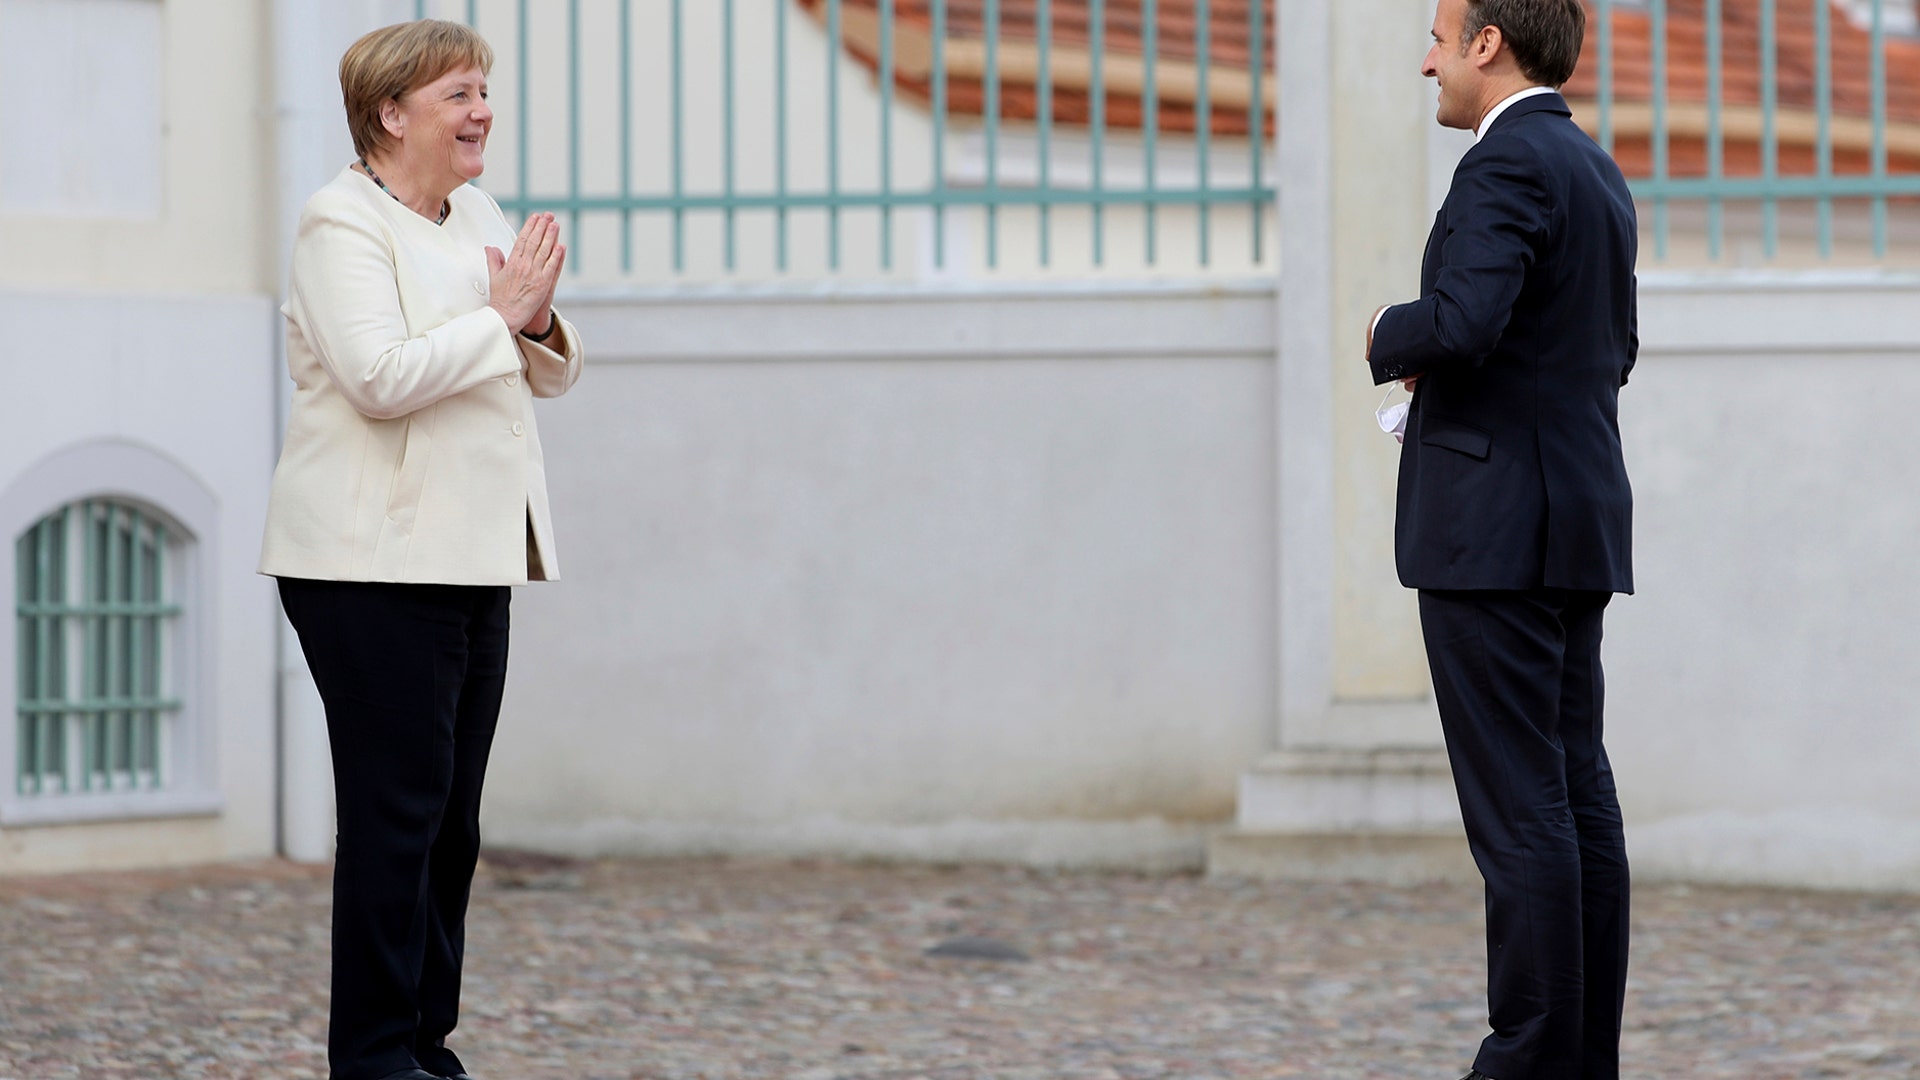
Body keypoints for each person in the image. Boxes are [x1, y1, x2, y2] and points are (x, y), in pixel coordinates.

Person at [259, 19, 582, 1080]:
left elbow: (539, 367)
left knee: (450, 825)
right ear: (391, 113)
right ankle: (374, 1059)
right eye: (458, 93)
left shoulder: (475, 212)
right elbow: (380, 377)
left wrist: (529, 325)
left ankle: (422, 1050)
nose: (482, 109)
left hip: (470, 554)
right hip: (367, 565)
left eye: (483, 90)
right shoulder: (337, 225)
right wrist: (501, 315)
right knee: (398, 818)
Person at [1364, 1, 1638, 1077]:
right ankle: (1580, 1060)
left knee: (1522, 815)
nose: (1426, 57)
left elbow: (1467, 318)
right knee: (1574, 800)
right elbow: (1607, 349)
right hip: (1572, 528)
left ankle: (1526, 1062)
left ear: (1489, 43)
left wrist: (1389, 334)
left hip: (1492, 542)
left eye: (1439, 35)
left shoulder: (1504, 164)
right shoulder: (1593, 168)